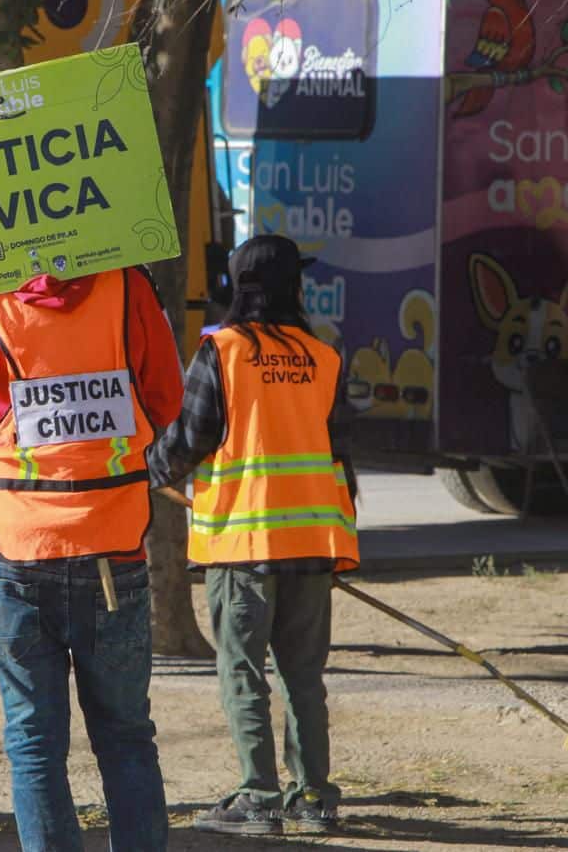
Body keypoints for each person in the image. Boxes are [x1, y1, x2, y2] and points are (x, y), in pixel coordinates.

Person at [0, 264, 184, 852]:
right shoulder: (128, 283)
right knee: (126, 737)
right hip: (112, 545)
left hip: (14, 551)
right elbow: (166, 401)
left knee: (34, 743)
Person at [147, 235, 359, 837]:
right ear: (294, 286)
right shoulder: (323, 356)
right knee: (303, 675)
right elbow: (340, 453)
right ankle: (313, 798)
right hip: (312, 544)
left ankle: (259, 798)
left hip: (244, 548)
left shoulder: (224, 352)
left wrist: (148, 467)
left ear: (238, 288)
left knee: (243, 671)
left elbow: (189, 439)